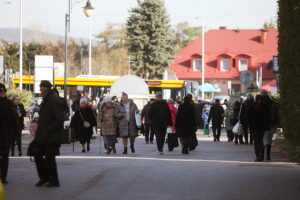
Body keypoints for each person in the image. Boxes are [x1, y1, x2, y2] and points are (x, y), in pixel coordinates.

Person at [34, 80, 64, 187]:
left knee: (49, 159)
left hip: (52, 136)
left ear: (45, 89)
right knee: (37, 155)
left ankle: (53, 180)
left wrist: (47, 129)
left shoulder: (53, 100)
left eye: (41, 88)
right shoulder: (46, 100)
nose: (40, 90)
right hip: (43, 135)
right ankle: (44, 177)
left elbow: (59, 119)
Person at [0, 83, 18, 184]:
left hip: (5, 133)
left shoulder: (8, 103)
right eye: (0, 91)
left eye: (3, 90)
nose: (2, 92)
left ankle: (3, 176)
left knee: (5, 156)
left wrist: (15, 132)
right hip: (5, 133)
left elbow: (14, 118)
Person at [248, 94, 271, 162]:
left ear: (255, 99)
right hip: (262, 126)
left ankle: (258, 156)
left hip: (254, 126)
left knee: (256, 141)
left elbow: (248, 116)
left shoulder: (252, 106)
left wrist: (250, 125)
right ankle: (262, 155)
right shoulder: (265, 106)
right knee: (261, 140)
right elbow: (268, 116)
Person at [261, 91, 279, 161]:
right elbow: (275, 114)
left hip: (261, 124)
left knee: (262, 140)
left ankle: (262, 156)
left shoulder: (259, 103)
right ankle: (268, 156)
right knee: (268, 140)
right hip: (269, 124)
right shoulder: (272, 103)